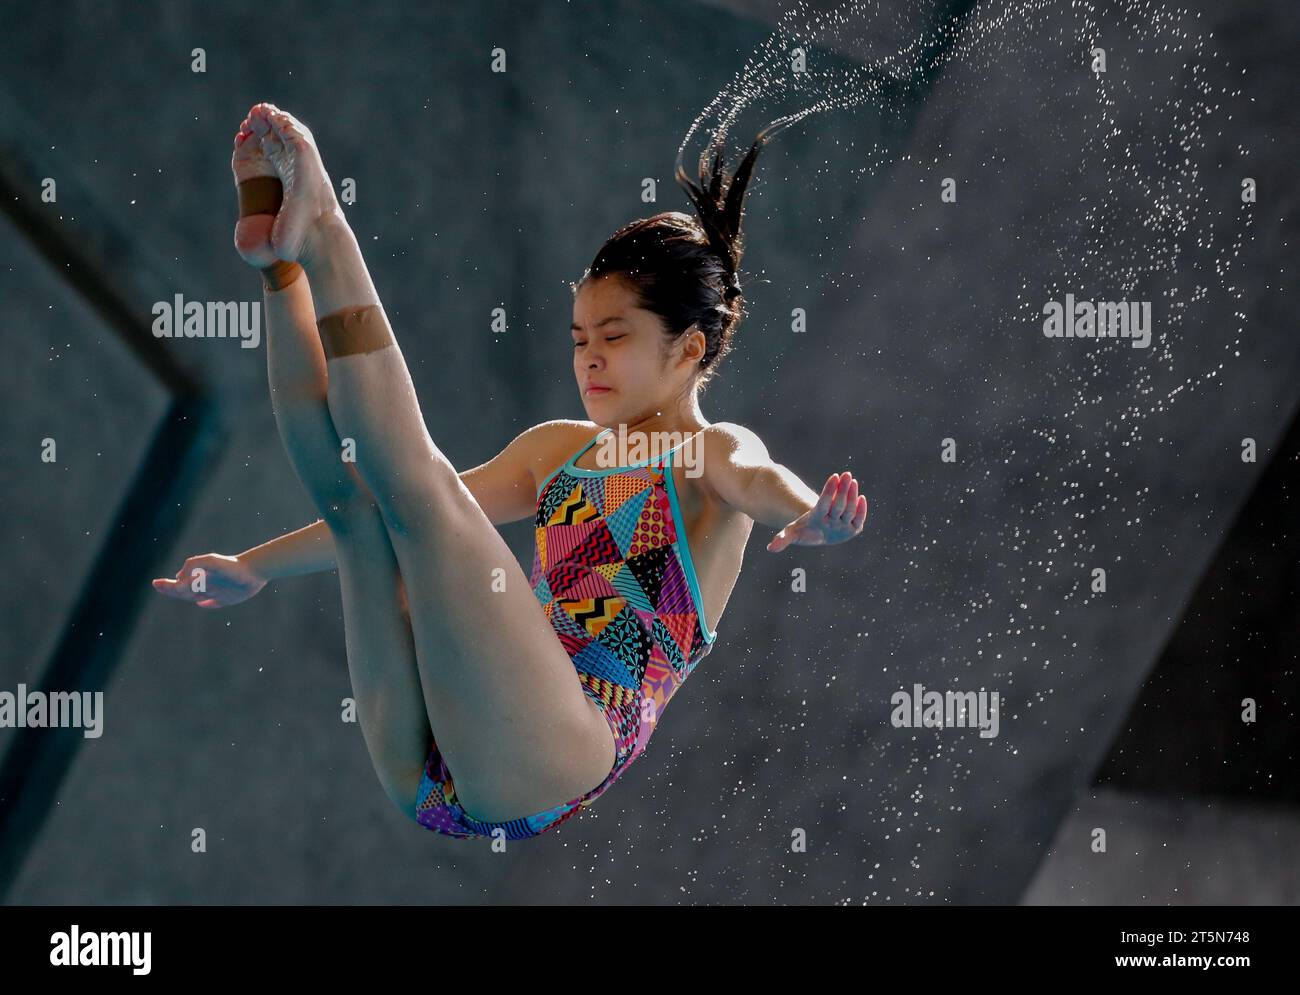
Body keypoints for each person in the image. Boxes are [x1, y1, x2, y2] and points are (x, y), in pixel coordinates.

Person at [152, 103, 868, 841]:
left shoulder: (706, 453)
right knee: (361, 510)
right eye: (580, 337)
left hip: (564, 746)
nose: (589, 357)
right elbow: (415, 505)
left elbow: (761, 479)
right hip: (440, 774)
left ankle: (328, 227)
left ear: (689, 349)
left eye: (615, 338)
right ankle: (281, 271)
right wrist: (253, 565)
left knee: (415, 493)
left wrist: (809, 513)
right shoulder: (556, 450)